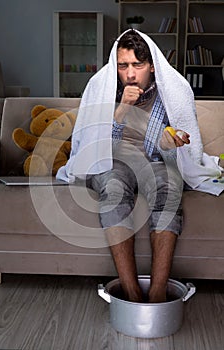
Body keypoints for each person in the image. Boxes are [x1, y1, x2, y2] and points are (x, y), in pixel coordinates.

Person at [56, 29, 223, 303]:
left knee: (170, 189)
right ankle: (130, 291)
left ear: (152, 67)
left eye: (138, 65)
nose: (130, 74)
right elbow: (94, 144)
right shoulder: (102, 87)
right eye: (123, 66)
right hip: (111, 160)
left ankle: (158, 292)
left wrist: (173, 143)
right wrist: (122, 107)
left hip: (153, 160)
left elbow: (174, 140)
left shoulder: (172, 90)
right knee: (113, 189)